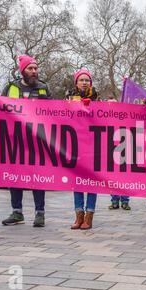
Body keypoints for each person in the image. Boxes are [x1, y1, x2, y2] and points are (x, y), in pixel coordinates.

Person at [0, 54, 52, 227]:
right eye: (30, 68)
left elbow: (54, 115)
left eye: (36, 68)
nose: (34, 71)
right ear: (22, 70)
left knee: (38, 176)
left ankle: (40, 213)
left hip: (37, 141)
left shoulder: (43, 88)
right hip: (15, 140)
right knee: (15, 175)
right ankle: (17, 212)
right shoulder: (10, 88)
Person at [66, 68, 99, 230]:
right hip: (75, 145)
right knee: (77, 182)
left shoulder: (97, 98)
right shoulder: (69, 97)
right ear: (76, 82)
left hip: (93, 145)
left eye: (87, 80)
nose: (85, 82)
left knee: (92, 182)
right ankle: (78, 215)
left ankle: (89, 216)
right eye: (82, 80)